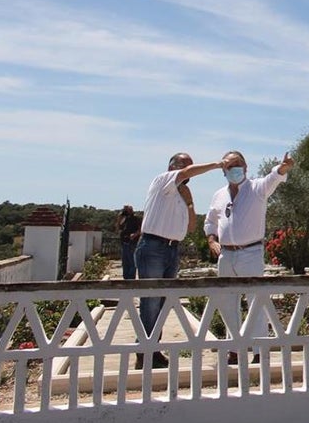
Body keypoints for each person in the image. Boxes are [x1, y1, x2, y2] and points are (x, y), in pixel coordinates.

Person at [135, 152, 227, 369]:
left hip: (171, 249)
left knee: (164, 301)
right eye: (184, 166)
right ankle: (145, 350)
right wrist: (216, 164)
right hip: (153, 246)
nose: (187, 172)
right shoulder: (162, 181)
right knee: (150, 300)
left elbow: (191, 227)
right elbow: (185, 173)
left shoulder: (180, 195)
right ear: (172, 166)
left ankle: (152, 348)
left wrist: (190, 203)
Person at [204, 150, 294, 364]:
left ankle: (258, 351)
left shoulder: (257, 189)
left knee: (256, 301)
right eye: (229, 165)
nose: (235, 169)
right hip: (226, 255)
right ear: (223, 170)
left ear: (245, 168)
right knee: (227, 302)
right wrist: (211, 240)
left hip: (250, 252)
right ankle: (234, 350)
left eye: (238, 164)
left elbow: (274, 177)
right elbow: (210, 221)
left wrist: (283, 167)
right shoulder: (219, 195)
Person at [116, 204, 141, 280]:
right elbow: (117, 227)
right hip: (124, 242)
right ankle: (125, 278)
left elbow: (140, 230)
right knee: (125, 262)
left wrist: (134, 235)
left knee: (132, 262)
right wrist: (121, 215)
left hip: (132, 242)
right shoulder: (124, 219)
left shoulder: (135, 218)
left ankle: (131, 279)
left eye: (128, 209)